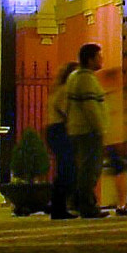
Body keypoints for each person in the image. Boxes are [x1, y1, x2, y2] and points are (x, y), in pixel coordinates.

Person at [62, 44, 110, 219]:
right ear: (90, 59)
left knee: (82, 168)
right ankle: (87, 205)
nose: (101, 59)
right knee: (91, 169)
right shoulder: (86, 79)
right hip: (88, 130)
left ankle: (77, 202)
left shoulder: (74, 77)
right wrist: (99, 128)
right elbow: (91, 107)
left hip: (76, 128)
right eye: (99, 56)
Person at [46, 62, 78, 221]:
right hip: (60, 129)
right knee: (67, 170)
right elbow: (67, 111)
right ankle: (59, 207)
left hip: (54, 129)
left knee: (64, 169)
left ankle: (59, 206)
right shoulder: (65, 91)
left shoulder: (57, 90)